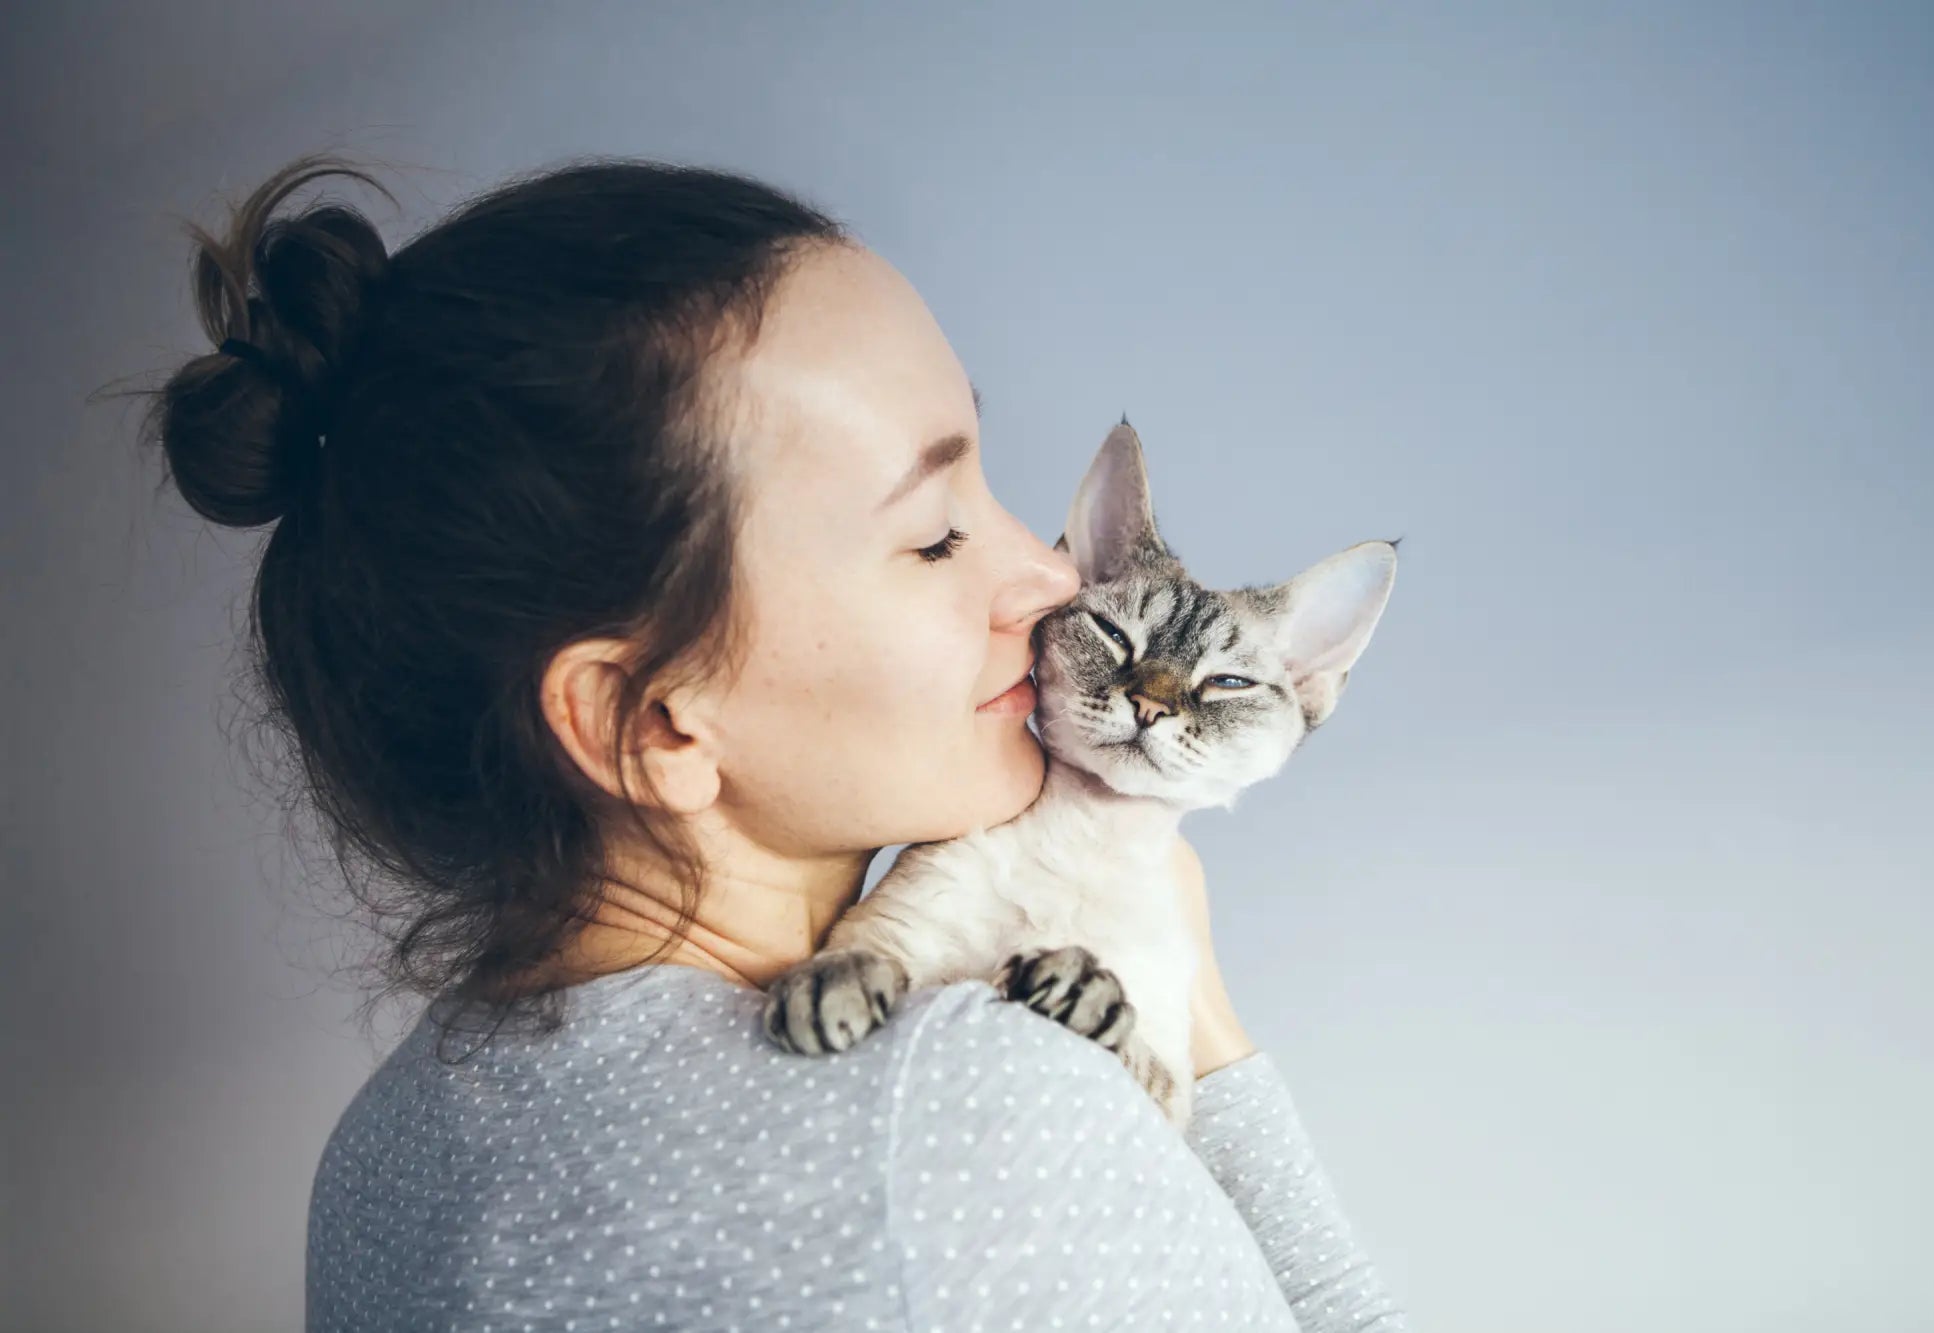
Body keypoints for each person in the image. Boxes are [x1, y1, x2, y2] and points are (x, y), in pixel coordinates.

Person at [142, 151, 1410, 1331]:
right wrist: (1202, 1030)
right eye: (931, 533)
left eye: (989, 485)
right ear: (654, 721)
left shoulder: (383, 1153)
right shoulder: (968, 1123)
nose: (1045, 574)